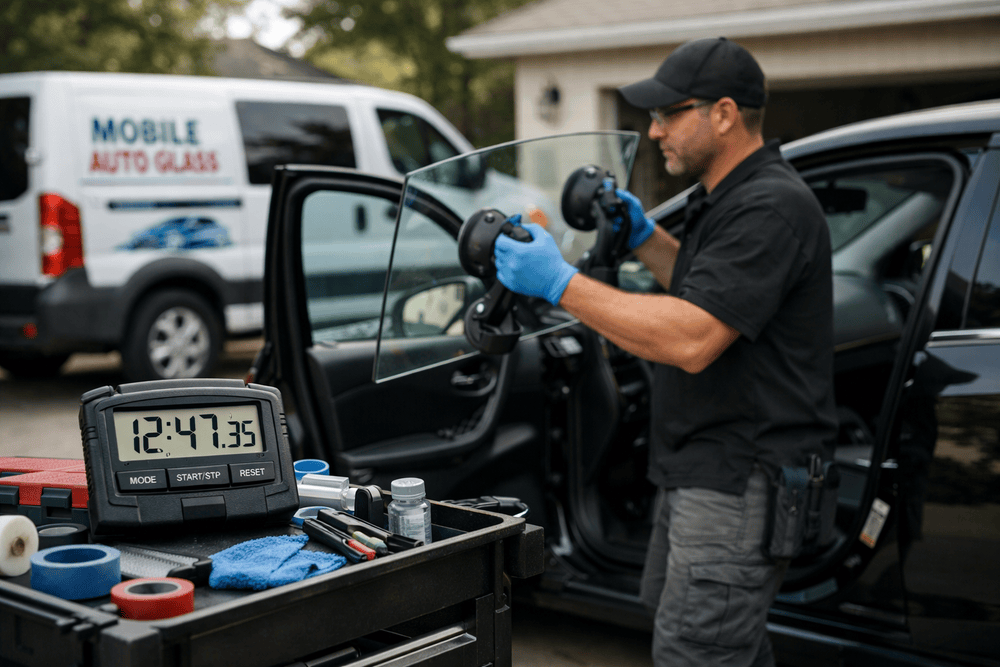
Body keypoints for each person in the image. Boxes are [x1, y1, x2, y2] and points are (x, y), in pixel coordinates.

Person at [493, 37, 838, 667]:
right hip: (703, 470)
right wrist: (648, 237)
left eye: (667, 114)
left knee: (696, 652)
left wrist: (557, 281)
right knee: (706, 637)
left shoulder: (771, 206)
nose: (652, 132)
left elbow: (694, 337)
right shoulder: (728, 196)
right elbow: (713, 291)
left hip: (739, 477)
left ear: (725, 114)